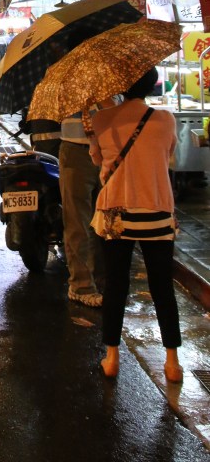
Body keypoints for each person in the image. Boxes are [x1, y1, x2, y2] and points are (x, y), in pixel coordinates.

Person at [89, 67, 183, 383]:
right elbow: (168, 155)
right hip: (157, 212)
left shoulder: (103, 119)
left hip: (117, 215)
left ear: (120, 86)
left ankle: (112, 357)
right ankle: (172, 363)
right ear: (151, 85)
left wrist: (95, 125)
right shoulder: (166, 120)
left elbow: (96, 160)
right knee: (162, 287)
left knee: (116, 285)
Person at [59, 107, 105, 307]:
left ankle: (101, 280)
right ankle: (81, 286)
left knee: (105, 220)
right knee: (78, 220)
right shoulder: (68, 81)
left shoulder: (109, 80)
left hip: (110, 149)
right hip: (75, 149)